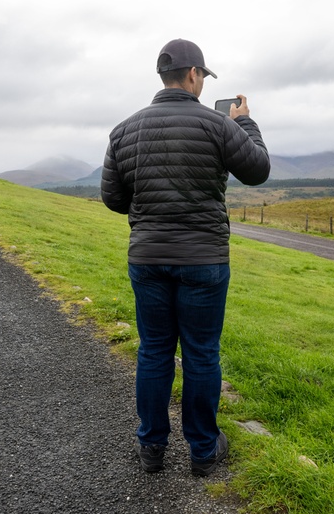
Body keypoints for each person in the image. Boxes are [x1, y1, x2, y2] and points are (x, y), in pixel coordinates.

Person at [101, 39, 271, 476]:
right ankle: (202, 451)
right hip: (204, 260)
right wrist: (246, 123)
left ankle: (151, 448)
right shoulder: (218, 125)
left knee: (154, 351)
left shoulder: (124, 129)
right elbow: (257, 170)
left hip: (148, 257)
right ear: (195, 75)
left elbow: (113, 198)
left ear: (164, 77)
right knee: (201, 353)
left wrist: (150, 209)